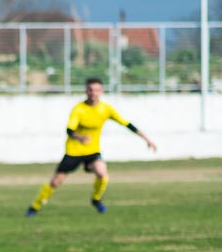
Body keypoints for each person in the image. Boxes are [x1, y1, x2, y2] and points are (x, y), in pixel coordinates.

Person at [25, 77, 157, 217]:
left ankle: (96, 199)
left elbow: (127, 124)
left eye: (96, 90)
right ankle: (35, 206)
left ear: (101, 91)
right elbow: (69, 130)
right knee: (55, 181)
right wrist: (80, 137)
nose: (93, 93)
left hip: (92, 151)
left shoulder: (106, 109)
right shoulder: (79, 109)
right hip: (74, 151)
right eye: (90, 89)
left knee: (102, 173)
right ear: (86, 91)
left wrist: (147, 139)